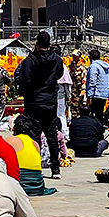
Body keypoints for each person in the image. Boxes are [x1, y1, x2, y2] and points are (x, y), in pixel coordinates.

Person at [14, 31, 64, 179]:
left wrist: (27, 91)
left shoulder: (30, 60)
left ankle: (35, 165)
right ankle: (56, 169)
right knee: (51, 134)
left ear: (37, 43)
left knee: (35, 134)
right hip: (50, 100)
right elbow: (59, 74)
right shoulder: (56, 59)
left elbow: (25, 78)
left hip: (34, 100)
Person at [8, 114, 56, 196]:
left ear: (14, 128)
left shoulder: (10, 141)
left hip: (21, 183)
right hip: (37, 185)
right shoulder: (35, 144)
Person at [85, 49, 109, 124]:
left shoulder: (94, 66)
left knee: (93, 114)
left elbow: (92, 81)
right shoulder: (105, 66)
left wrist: (89, 96)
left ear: (90, 57)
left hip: (96, 93)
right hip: (104, 93)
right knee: (99, 113)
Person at [55, 48, 72, 138]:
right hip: (60, 93)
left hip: (49, 93)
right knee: (61, 114)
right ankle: (64, 133)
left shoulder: (47, 64)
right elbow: (67, 83)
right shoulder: (62, 66)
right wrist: (68, 95)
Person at [68, 50, 87, 117]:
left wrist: (83, 90)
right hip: (73, 88)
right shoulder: (71, 66)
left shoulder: (82, 67)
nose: (73, 57)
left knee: (80, 105)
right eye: (73, 56)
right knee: (73, 105)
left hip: (79, 89)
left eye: (75, 56)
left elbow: (84, 79)